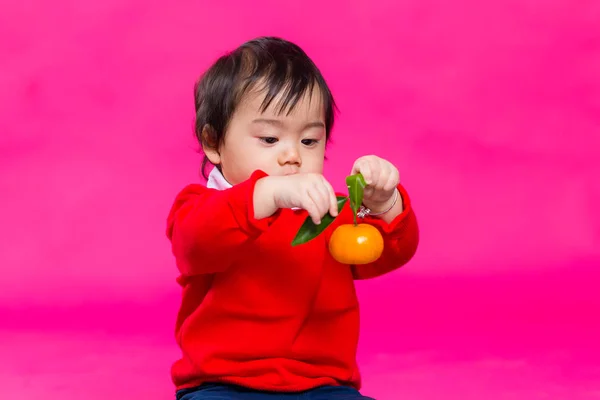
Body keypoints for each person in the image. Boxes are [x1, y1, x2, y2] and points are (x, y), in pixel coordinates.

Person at [166, 36, 419, 399]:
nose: (292, 156)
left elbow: (390, 250)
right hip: (224, 383)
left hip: (323, 385)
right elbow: (195, 242)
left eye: (310, 141)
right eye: (269, 139)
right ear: (213, 143)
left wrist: (383, 201)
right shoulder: (202, 207)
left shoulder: (329, 211)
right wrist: (268, 193)